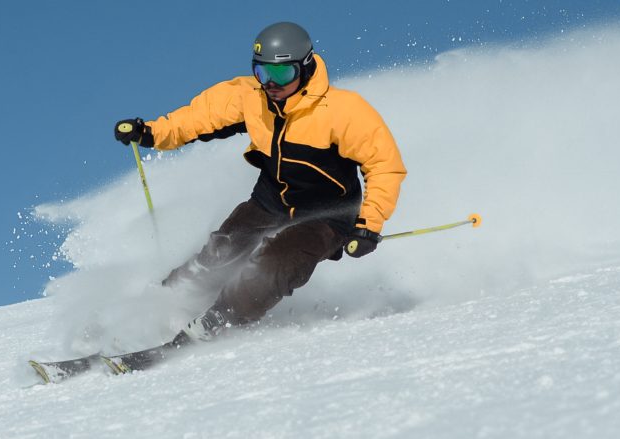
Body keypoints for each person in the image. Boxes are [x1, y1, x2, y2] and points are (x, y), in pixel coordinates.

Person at [114, 22, 406, 342]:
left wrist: (369, 225)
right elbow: (199, 117)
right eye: (262, 73)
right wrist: (153, 132)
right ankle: (161, 306)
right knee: (220, 252)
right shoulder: (252, 98)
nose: (270, 84)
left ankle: (217, 322)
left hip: (328, 216)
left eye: (280, 75)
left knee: (274, 265)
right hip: (271, 201)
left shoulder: (342, 111)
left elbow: (384, 166)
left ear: (305, 67)